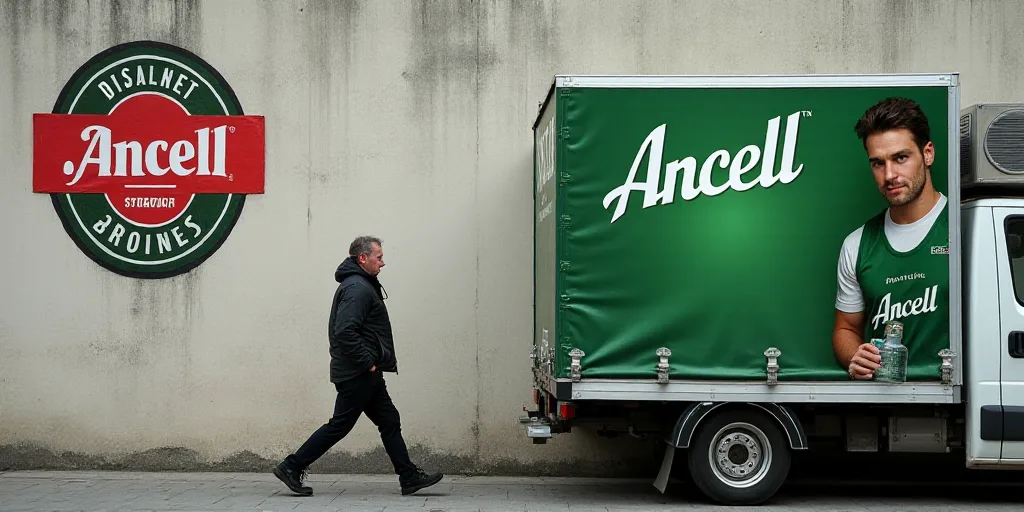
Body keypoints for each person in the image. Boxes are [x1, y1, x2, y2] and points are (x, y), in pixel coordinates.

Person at [273, 235, 443, 496]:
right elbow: (344, 331)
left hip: (362, 372)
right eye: (379, 257)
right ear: (362, 258)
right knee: (340, 425)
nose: (383, 263)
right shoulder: (357, 288)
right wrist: (368, 364)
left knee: (389, 420)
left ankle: (408, 477)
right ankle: (291, 466)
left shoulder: (361, 284)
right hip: (359, 373)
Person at [832, 97, 950, 380]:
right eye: (877, 163)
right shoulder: (857, 244)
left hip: (956, 397)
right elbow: (845, 328)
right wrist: (855, 355)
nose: (889, 175)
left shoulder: (965, 229)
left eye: (900, 158)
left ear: (928, 153)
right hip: (883, 402)